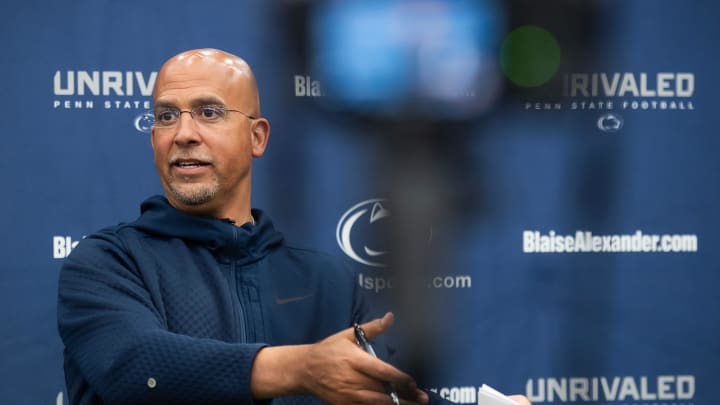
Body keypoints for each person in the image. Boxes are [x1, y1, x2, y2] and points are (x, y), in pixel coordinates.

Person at [57, 48, 531, 405]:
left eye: (208, 112)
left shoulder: (324, 281)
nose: (183, 133)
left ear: (257, 137)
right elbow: (136, 367)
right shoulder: (105, 263)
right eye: (166, 116)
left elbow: (384, 395)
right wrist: (301, 366)